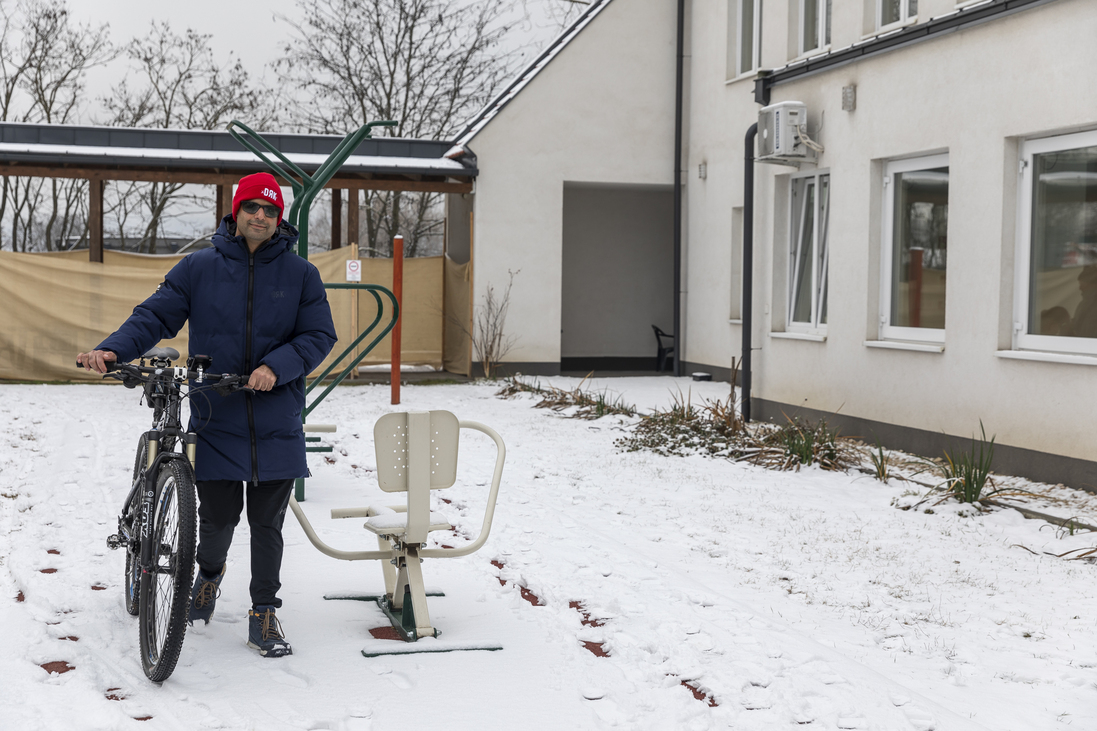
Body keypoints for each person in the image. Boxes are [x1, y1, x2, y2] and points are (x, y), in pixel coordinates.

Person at [77, 172, 337, 658]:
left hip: (277, 418)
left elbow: (318, 336)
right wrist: (112, 350)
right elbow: (155, 316)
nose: (260, 216)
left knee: (267, 524)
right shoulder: (200, 267)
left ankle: (264, 612)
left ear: (279, 218)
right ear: (235, 213)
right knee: (216, 521)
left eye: (270, 210)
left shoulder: (301, 275)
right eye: (251, 208)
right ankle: (209, 578)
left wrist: (274, 367)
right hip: (217, 415)